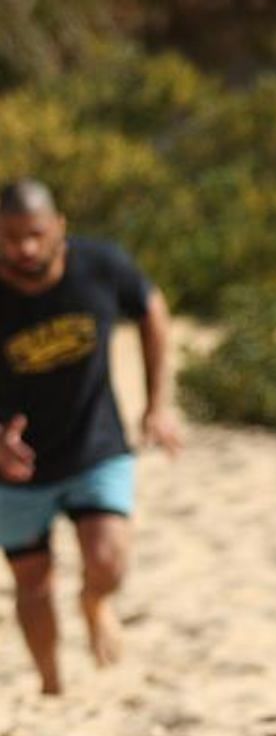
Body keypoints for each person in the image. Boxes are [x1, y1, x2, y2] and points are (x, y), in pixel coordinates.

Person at [0, 179, 184, 694]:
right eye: (10, 238)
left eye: (35, 234)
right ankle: (52, 689)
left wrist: (157, 404)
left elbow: (152, 310)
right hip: (16, 465)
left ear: (59, 227)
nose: (25, 249)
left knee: (108, 560)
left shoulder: (101, 267)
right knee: (33, 586)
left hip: (94, 443)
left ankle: (95, 601)